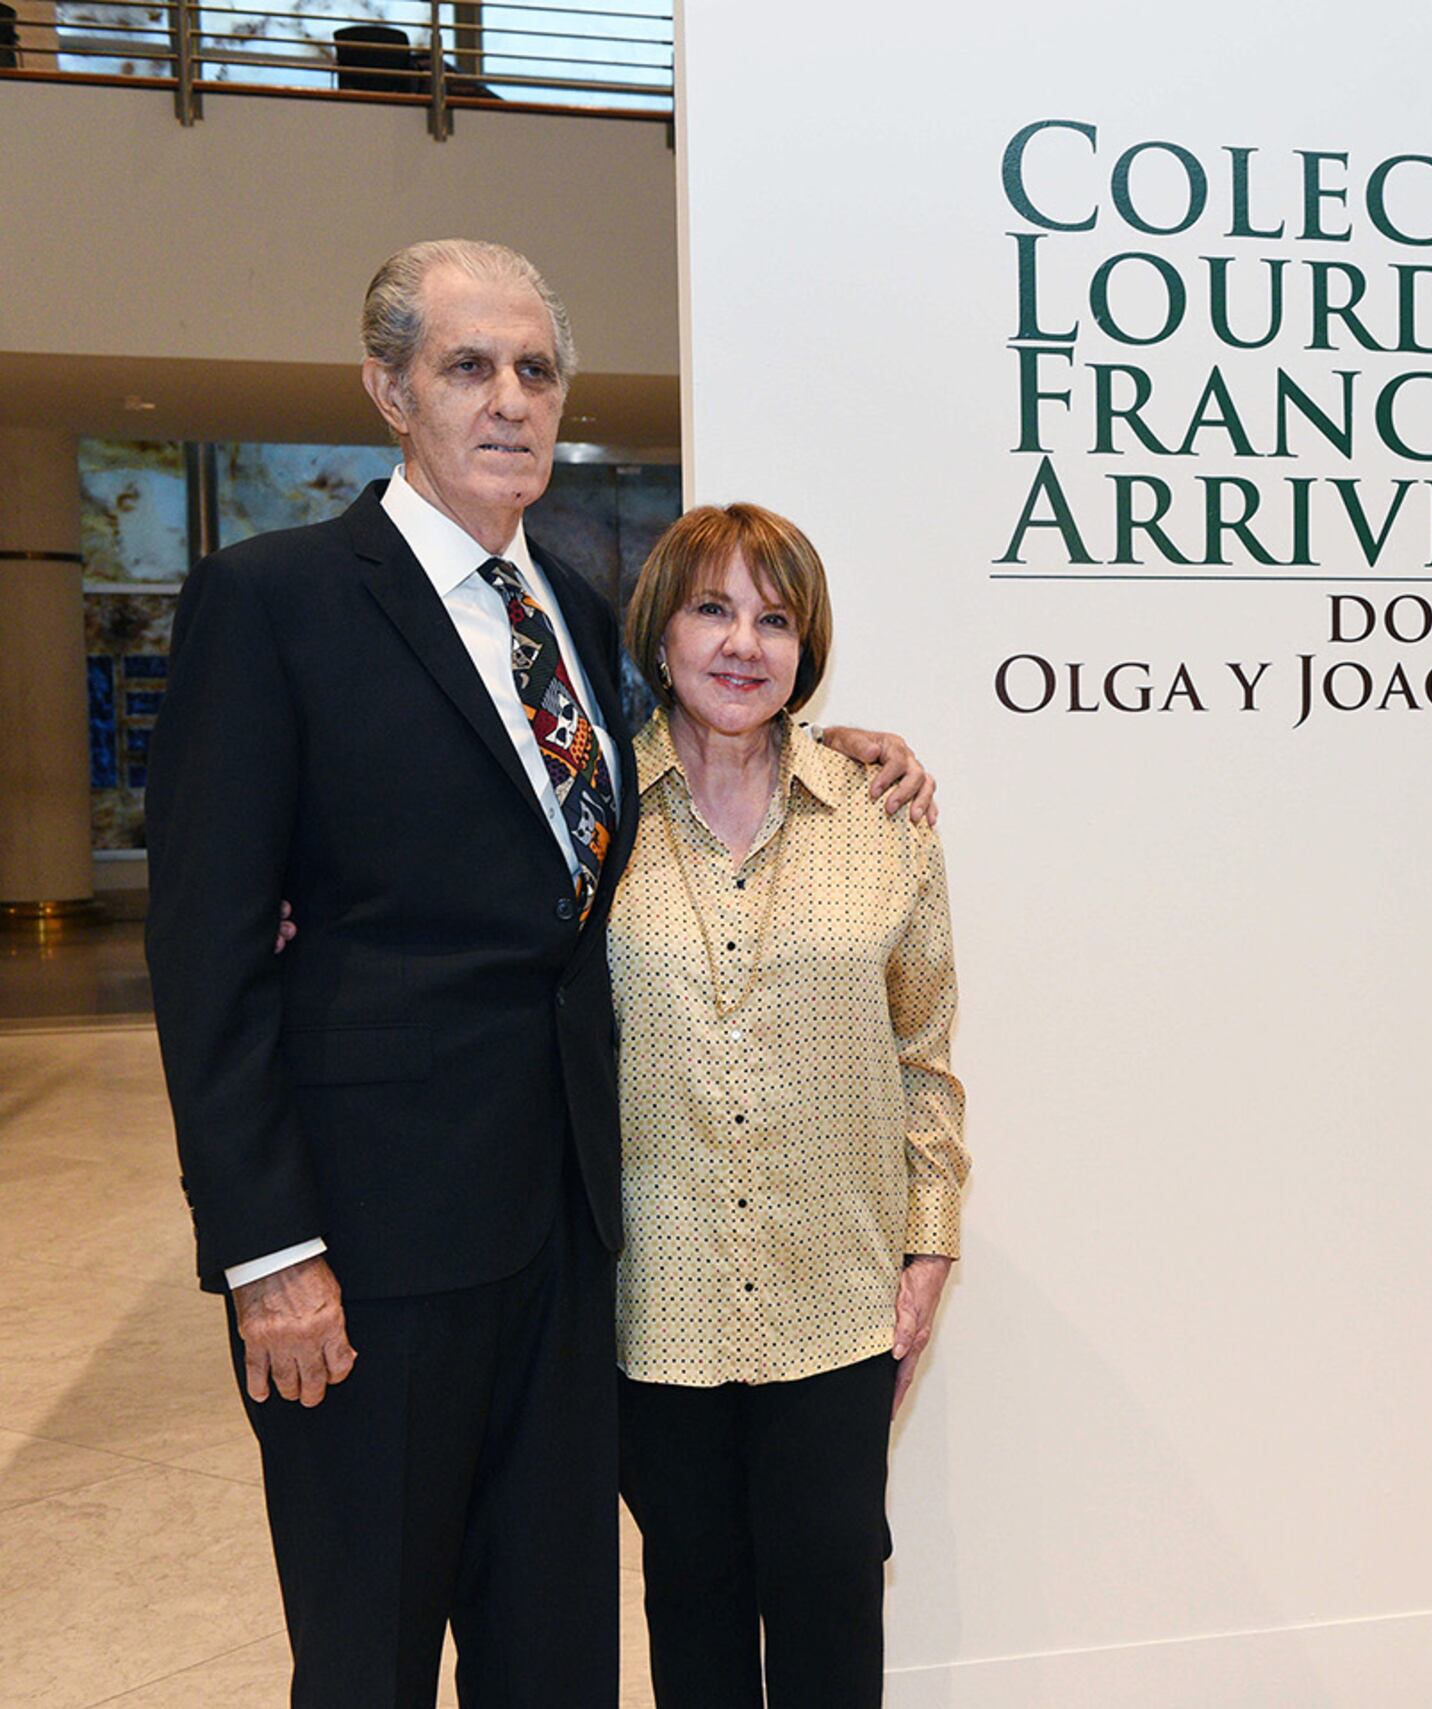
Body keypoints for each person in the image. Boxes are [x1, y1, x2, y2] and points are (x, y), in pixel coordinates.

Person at [144, 238, 933, 1707]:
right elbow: (204, 950)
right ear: (389, 388)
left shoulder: (572, 614)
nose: (511, 399)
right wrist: (269, 1256)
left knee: (555, 1656)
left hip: (573, 1252)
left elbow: (700, 746)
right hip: (370, 1262)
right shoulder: (277, 599)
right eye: (468, 366)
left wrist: (853, 750)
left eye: (537, 368)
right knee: (370, 1655)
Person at [609, 501, 967, 1708]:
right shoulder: (593, 816)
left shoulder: (885, 817)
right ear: (662, 632)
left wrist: (929, 1244)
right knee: (692, 1616)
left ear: (807, 648)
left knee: (830, 1615)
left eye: (775, 618)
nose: (743, 643)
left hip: (839, 1301)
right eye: (713, 607)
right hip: (656, 1304)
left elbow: (925, 1053)